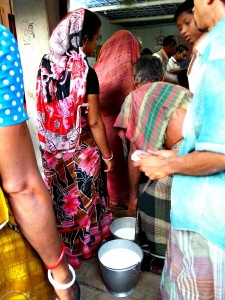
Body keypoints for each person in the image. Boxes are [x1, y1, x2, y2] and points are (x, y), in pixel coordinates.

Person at [135, 0, 225, 298]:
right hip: (200, 210)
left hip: (208, 216)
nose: (186, 28)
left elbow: (220, 154)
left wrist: (167, 166)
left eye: (187, 20)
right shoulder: (211, 49)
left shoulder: (219, 54)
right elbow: (209, 136)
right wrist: (174, 154)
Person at [0, 24, 76, 299]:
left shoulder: (45, 65)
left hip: (50, 145)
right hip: (73, 147)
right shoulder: (0, 44)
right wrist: (62, 275)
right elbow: (21, 186)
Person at [36, 8, 114, 269]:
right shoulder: (86, 72)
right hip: (82, 153)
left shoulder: (46, 67)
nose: (96, 44)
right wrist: (108, 156)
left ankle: (65, 251)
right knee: (83, 200)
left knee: (62, 202)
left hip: (53, 155)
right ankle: (85, 250)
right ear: (83, 39)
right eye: (95, 39)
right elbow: (93, 120)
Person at [114, 55, 192, 274]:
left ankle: (161, 260)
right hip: (204, 146)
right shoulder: (173, 89)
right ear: (159, 75)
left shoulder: (135, 97)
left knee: (149, 201)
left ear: (136, 80)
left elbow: (134, 153)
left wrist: (132, 198)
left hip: (184, 150)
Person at [93, 30, 140, 209]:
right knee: (117, 163)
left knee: (105, 168)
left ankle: (109, 201)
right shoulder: (125, 70)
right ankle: (120, 199)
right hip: (113, 127)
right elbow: (132, 98)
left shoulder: (97, 69)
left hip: (94, 127)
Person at [174, 0, 207, 92]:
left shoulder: (212, 46)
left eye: (187, 22)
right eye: (180, 28)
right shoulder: (196, 52)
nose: (183, 31)